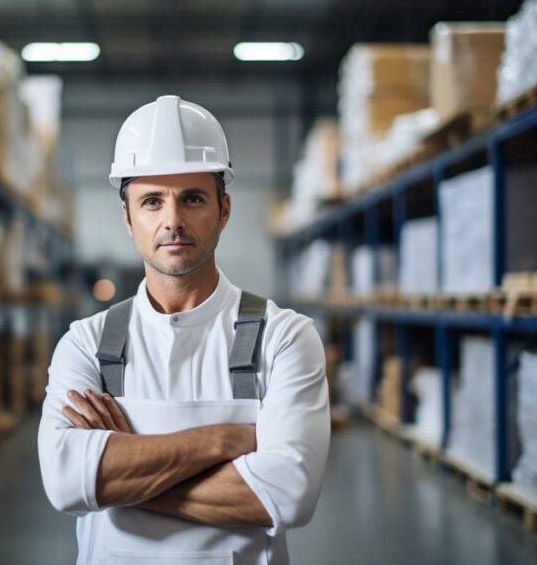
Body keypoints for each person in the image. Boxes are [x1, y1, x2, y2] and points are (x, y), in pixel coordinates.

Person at [38, 95, 330, 565]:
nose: (172, 220)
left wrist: (115, 476)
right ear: (128, 218)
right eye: (152, 201)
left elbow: (288, 495)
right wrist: (223, 441)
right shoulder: (86, 344)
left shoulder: (284, 338)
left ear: (224, 209)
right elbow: (64, 483)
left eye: (192, 198)